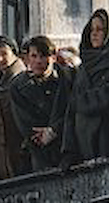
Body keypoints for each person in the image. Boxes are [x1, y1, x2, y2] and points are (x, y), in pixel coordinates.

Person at [62, 9, 109, 164]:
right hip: (83, 145)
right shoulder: (84, 67)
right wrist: (69, 150)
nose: (94, 34)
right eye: (92, 29)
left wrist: (81, 102)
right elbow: (70, 112)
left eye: (100, 29)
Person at [10, 36, 72, 172]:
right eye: (34, 56)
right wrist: (44, 135)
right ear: (28, 58)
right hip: (39, 153)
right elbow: (25, 123)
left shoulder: (68, 79)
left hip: (68, 148)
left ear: (53, 57)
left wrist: (54, 130)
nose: (38, 61)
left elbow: (73, 111)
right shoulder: (18, 86)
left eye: (43, 56)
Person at [0, 36, 27, 180]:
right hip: (0, 152)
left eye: (4, 54)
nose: (0, 59)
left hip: (20, 149)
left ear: (14, 53)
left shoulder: (23, 79)